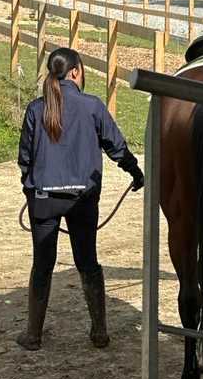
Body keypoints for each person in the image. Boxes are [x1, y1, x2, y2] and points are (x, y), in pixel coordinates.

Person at [17, 45, 144, 351]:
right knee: (88, 262)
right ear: (75, 72)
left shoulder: (35, 109)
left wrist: (30, 188)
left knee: (42, 264)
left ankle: (33, 334)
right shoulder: (93, 106)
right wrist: (136, 172)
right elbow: (116, 147)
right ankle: (99, 332)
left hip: (44, 198)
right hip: (82, 198)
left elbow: (24, 159)